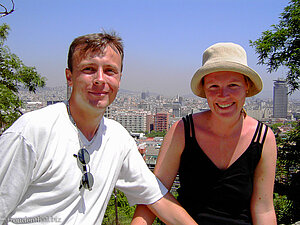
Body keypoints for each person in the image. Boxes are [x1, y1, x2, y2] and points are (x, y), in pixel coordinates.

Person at [0, 32, 197, 225]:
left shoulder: (117, 138)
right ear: (69, 77)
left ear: (119, 79)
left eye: (110, 71)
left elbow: (156, 197)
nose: (100, 79)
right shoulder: (31, 132)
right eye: (88, 69)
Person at [132, 42, 277, 224]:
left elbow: (263, 208)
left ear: (247, 87)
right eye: (214, 86)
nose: (223, 95)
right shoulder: (183, 131)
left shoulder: (263, 138)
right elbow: (154, 192)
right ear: (205, 91)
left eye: (233, 85)